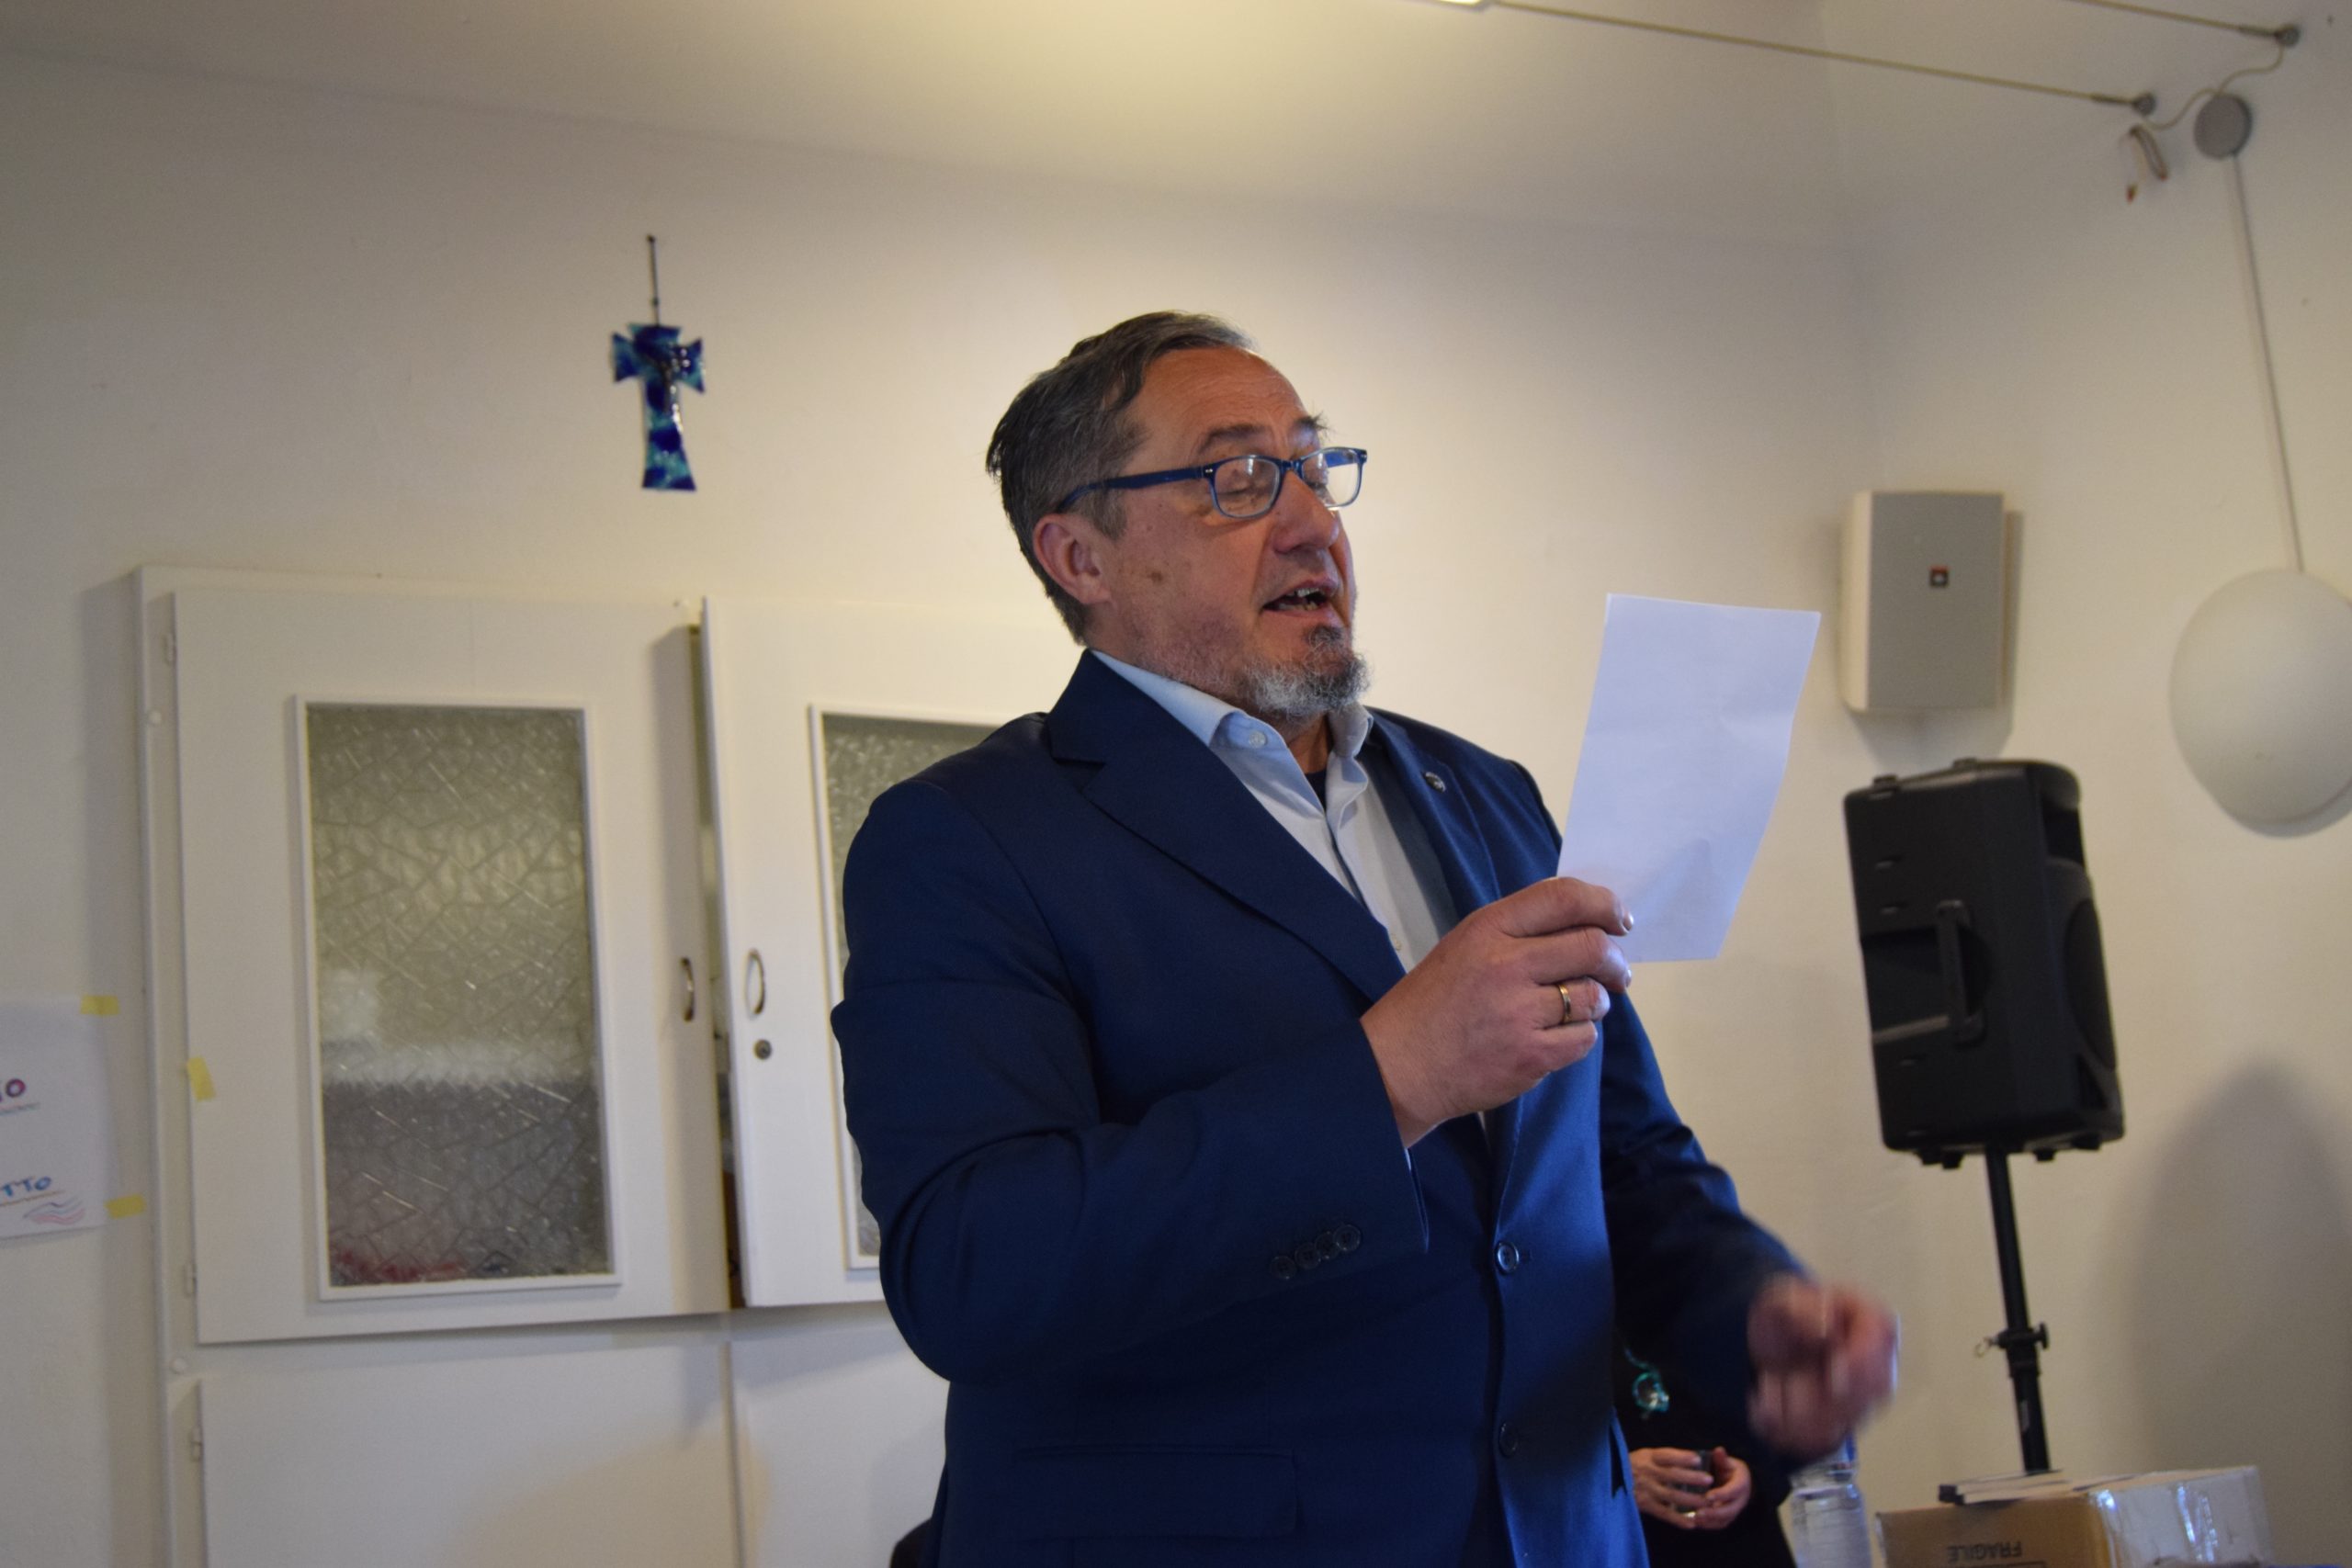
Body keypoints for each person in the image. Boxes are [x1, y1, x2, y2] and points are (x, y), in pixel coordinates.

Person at [831, 312, 1896, 1566]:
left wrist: (1754, 1311)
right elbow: (976, 1270)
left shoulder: (1486, 796)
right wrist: (1388, 1079)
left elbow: (1620, 1158)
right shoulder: (967, 836)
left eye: (1313, 464)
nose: (1309, 522)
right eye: (1237, 477)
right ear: (1081, 555)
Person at [1614, 1339, 1798, 1567]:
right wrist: (1613, 1473)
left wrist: (1751, 1476)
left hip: (1747, 1542)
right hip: (1633, 1546)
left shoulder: (1711, 1322)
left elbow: (1782, 1431)